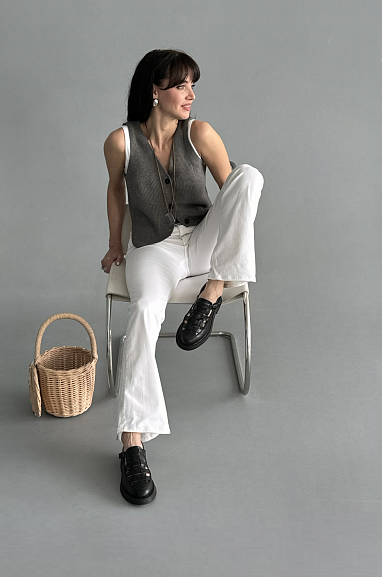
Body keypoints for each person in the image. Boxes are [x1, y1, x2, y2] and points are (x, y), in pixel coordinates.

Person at [101, 49, 264, 505]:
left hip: (204, 240)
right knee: (144, 311)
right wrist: (115, 243)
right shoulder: (121, 142)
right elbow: (114, 190)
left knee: (249, 177)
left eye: (193, 85)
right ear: (155, 91)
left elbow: (235, 199)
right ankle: (132, 444)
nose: (191, 94)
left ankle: (213, 292)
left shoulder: (200, 133)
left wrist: (218, 270)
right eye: (181, 86)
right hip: (154, 248)